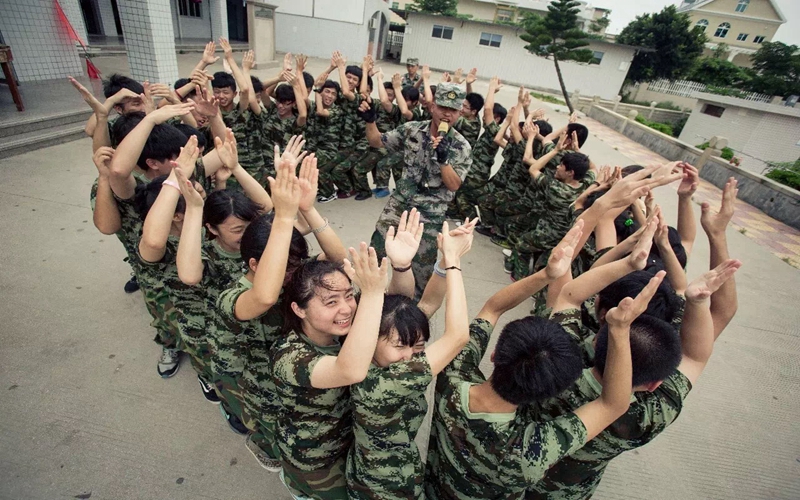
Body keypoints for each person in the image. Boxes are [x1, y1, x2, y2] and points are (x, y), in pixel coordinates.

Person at [526, 188, 741, 499]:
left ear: (601, 324)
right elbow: (698, 352)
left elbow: (568, 294)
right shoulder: (649, 416)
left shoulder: (554, 356)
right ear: (656, 384)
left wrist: (607, 219)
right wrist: (714, 241)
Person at [423, 223, 648, 499]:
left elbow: (493, 309)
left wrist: (547, 274)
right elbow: (613, 404)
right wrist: (619, 330)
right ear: (549, 393)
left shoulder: (452, 377)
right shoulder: (528, 452)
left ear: (495, 355)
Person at [346, 216, 477, 500]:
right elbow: (458, 336)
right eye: (400, 346)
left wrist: (410, 264)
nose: (409, 355)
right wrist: (454, 262)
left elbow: (426, 304)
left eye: (418, 346)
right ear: (370, 336)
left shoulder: (366, 351)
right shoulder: (382, 383)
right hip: (385, 489)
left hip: (379, 469)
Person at [361, 82, 473, 299]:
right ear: (432, 107)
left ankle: (409, 318)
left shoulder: (461, 146)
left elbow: (454, 185)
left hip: (429, 216)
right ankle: (367, 300)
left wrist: (443, 159)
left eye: (453, 110)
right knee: (374, 257)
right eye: (442, 107)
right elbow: (377, 142)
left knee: (420, 273)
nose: (446, 114)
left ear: (460, 113)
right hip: (399, 206)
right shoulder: (412, 130)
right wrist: (370, 121)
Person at [448, 76, 506, 221]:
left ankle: (473, 220)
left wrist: (491, 89)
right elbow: (474, 105)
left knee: (462, 194)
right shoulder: (478, 121)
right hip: (474, 168)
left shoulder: (480, 127)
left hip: (477, 173)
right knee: (457, 191)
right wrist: (468, 84)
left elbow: (483, 109)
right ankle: (455, 214)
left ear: (497, 119)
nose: (462, 108)